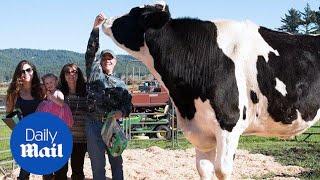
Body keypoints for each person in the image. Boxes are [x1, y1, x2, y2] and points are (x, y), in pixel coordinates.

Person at [85, 13, 132, 180]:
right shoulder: (94, 74)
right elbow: (91, 52)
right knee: (97, 166)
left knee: (116, 163)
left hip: (112, 125)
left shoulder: (121, 84)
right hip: (93, 124)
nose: (107, 61)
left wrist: (122, 112)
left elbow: (128, 105)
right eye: (104, 58)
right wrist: (96, 28)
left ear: (115, 61)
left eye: (110, 58)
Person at [6, 60, 44, 180]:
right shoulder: (14, 93)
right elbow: (9, 115)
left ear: (33, 72)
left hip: (43, 133)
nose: (25, 73)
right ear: (18, 74)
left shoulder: (41, 90)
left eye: (28, 70)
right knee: (25, 170)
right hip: (25, 135)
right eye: (22, 71)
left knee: (47, 169)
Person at [58, 63, 88, 180]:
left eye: (74, 71)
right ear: (63, 76)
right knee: (60, 171)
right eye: (68, 72)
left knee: (78, 170)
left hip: (81, 138)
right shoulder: (59, 93)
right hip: (62, 137)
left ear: (78, 74)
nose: (71, 74)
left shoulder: (86, 92)